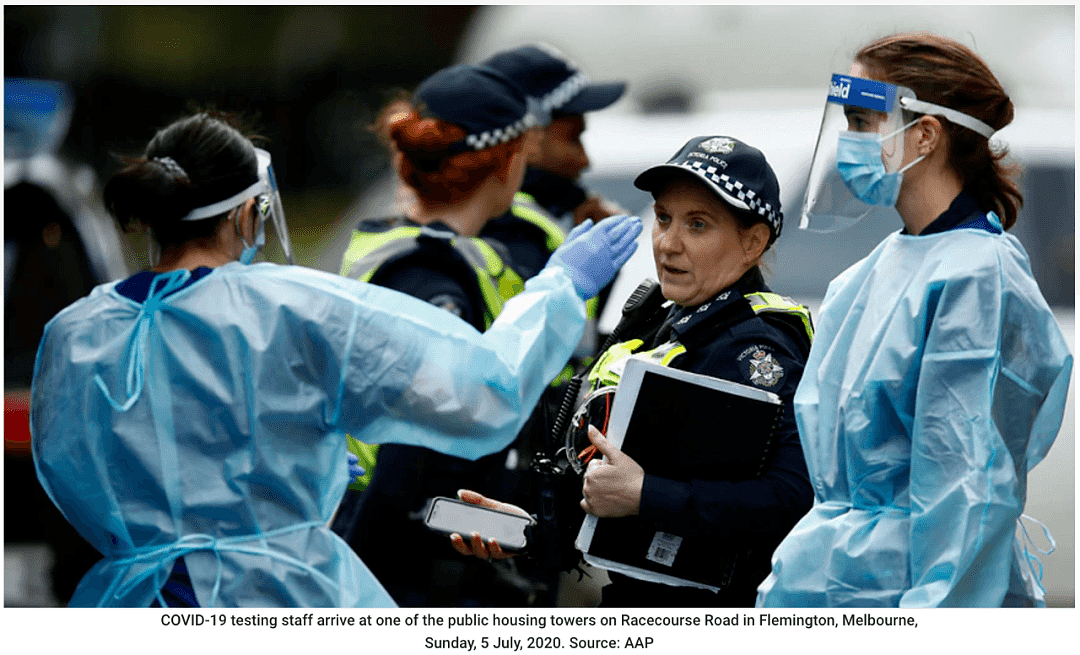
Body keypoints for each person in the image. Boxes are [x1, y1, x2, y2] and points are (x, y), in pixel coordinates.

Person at [29, 110, 642, 608]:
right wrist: (558, 290)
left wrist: (281, 464)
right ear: (250, 213)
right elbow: (481, 395)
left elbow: (72, 473)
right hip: (282, 596)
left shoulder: (74, 332)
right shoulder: (289, 308)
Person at [756, 32, 1072, 608]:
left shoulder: (977, 278)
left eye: (862, 120)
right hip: (834, 582)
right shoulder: (866, 276)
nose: (849, 141)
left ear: (924, 134)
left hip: (916, 595)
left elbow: (968, 492)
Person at [452, 136, 816, 607]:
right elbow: (608, 497)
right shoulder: (660, 320)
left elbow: (792, 499)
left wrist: (647, 495)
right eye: (663, 218)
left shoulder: (757, 349)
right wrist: (529, 531)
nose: (668, 243)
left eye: (698, 224)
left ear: (753, 241)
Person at [333, 63, 577, 607]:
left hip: (393, 542)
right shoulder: (434, 278)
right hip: (408, 568)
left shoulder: (393, 248)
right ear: (510, 163)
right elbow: (408, 465)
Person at [478, 44, 628, 281]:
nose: (585, 161)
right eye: (573, 137)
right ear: (529, 138)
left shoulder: (547, 223)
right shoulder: (511, 235)